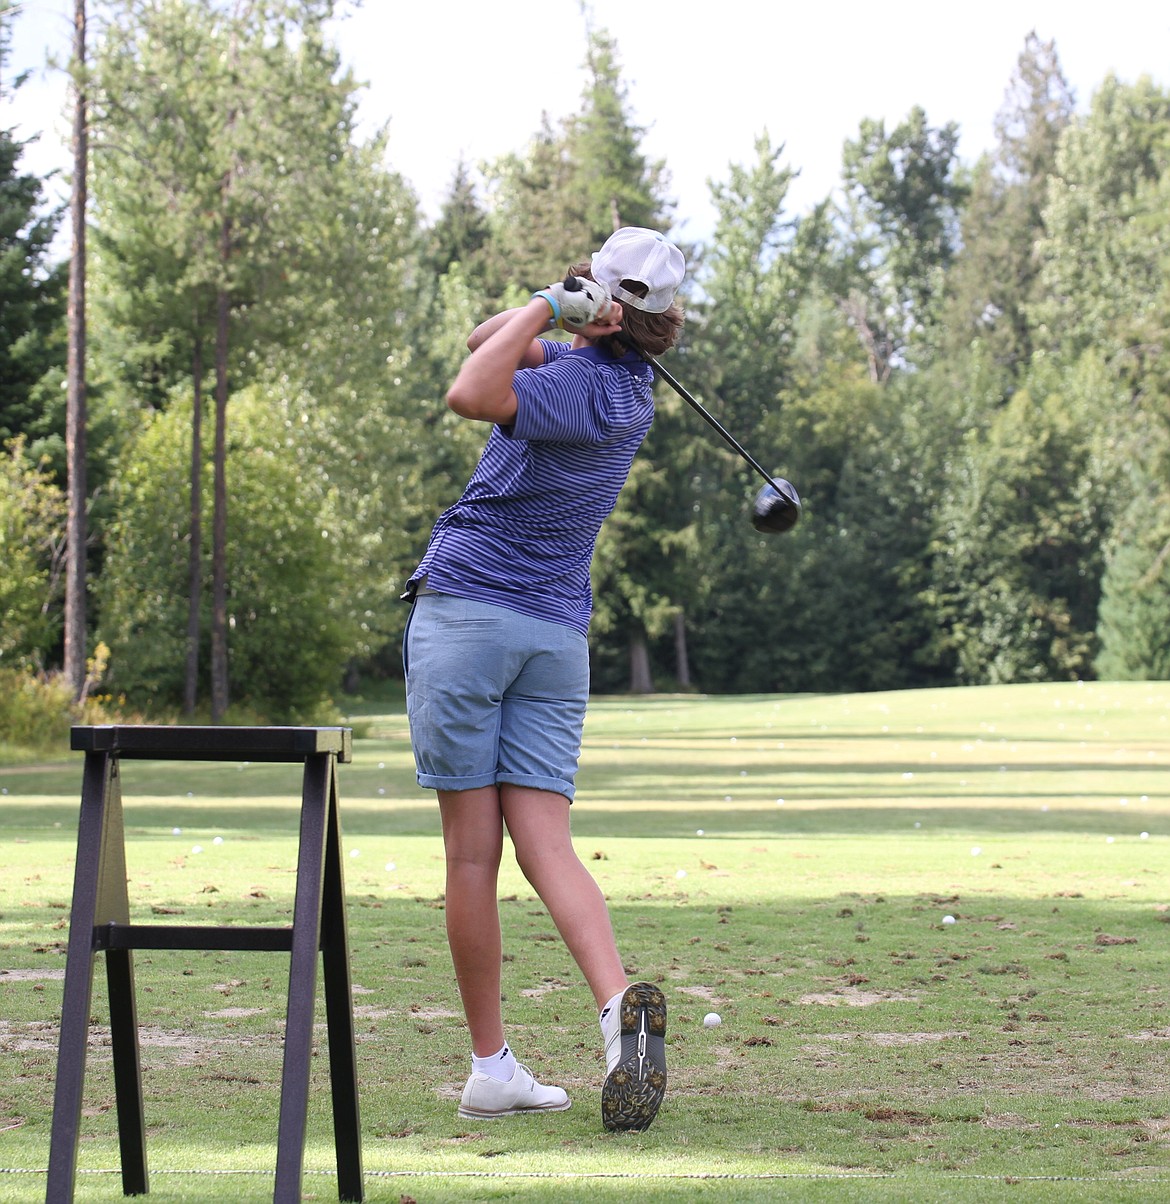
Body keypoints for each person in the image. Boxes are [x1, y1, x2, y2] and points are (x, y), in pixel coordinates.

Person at [401, 226, 686, 1132]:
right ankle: (615, 1015)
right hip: (555, 637)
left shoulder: (571, 383)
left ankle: (492, 1066)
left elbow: (469, 386)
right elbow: (493, 334)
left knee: (473, 857)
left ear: (610, 306)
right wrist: (556, 306)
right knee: (548, 845)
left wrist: (553, 310)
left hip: (470, 615)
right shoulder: (624, 388)